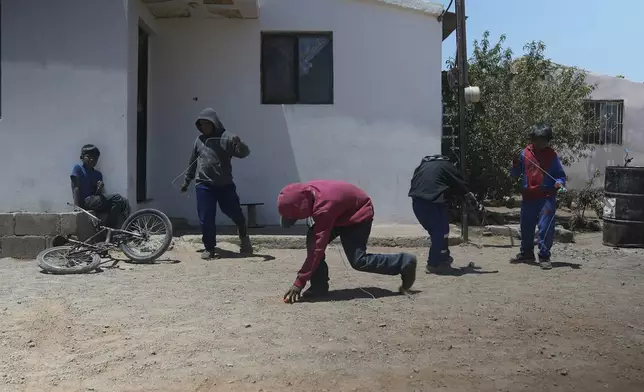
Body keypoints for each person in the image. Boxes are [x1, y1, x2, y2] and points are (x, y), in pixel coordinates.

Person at [277, 180, 417, 304]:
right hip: (339, 213)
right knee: (312, 238)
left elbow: (318, 248)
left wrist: (299, 282)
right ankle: (318, 287)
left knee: (359, 261)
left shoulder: (323, 207)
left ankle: (403, 262)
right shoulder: (304, 192)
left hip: (358, 214)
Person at [180, 108, 253, 259]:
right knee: (206, 217)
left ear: (215, 123)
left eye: (207, 124)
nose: (204, 127)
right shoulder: (199, 141)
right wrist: (187, 180)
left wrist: (240, 144)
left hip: (224, 185)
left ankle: (243, 235)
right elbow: (192, 163)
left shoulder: (226, 138)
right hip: (204, 185)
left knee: (234, 213)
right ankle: (209, 248)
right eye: (201, 124)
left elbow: (244, 153)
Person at [408, 154, 482, 274]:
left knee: (440, 231)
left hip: (417, 204)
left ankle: (443, 257)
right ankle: (434, 263)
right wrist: (475, 204)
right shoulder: (447, 166)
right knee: (440, 232)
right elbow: (461, 187)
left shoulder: (422, 167)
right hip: (432, 203)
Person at [510, 123, 566, 270]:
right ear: (532, 138)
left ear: (548, 140)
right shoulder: (524, 154)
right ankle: (526, 253)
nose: (540, 143)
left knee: (545, 228)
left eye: (543, 140)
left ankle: (544, 256)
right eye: (537, 139)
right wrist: (515, 162)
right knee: (526, 227)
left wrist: (559, 184)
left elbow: (560, 176)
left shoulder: (552, 156)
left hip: (546, 197)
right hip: (528, 197)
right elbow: (515, 173)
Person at [71, 144, 130, 229]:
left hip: (93, 200)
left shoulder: (98, 174)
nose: (92, 160)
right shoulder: (78, 168)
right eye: (88, 157)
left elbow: (97, 195)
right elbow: (75, 187)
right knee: (117, 198)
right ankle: (110, 228)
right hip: (85, 201)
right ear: (82, 157)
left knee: (123, 202)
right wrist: (76, 206)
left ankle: (113, 228)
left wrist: (99, 188)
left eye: (95, 158)